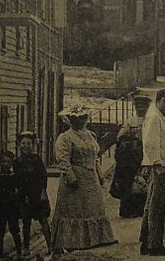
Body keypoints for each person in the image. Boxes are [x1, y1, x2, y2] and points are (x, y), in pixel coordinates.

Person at [49, 107, 117, 251]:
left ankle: (98, 238)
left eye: (83, 118)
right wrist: (71, 178)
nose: (80, 121)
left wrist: (99, 174)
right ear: (70, 120)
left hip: (90, 176)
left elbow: (95, 158)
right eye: (76, 119)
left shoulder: (90, 135)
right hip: (76, 177)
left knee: (95, 206)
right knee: (76, 209)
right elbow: (63, 160)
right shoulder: (65, 137)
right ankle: (74, 241)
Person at [139, 88, 165, 257]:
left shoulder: (157, 116)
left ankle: (146, 242)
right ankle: (155, 244)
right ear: (158, 100)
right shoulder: (154, 117)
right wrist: (157, 164)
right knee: (158, 205)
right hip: (159, 168)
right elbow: (150, 143)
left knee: (151, 204)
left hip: (161, 166)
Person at [13, 130, 54, 256]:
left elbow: (43, 176)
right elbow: (16, 179)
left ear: (32, 145)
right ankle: (26, 248)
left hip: (37, 194)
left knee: (43, 220)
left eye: (28, 144)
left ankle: (50, 246)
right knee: (26, 222)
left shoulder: (37, 159)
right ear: (19, 145)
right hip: (24, 195)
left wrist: (43, 192)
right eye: (23, 143)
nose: (25, 146)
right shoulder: (17, 161)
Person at [109, 95, 149, 219]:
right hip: (131, 155)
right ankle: (128, 209)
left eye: (144, 106)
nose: (141, 109)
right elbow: (120, 137)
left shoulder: (150, 120)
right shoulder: (130, 121)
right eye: (138, 106)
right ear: (135, 107)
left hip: (145, 152)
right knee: (128, 180)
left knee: (143, 179)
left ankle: (142, 209)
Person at [0, 150, 26, 257]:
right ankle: (0, 254)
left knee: (14, 230)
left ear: (11, 163)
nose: (5, 164)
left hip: (12, 209)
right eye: (3, 162)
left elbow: (21, 192)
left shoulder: (14, 176)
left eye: (8, 162)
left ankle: (19, 253)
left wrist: (20, 208)